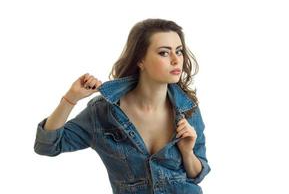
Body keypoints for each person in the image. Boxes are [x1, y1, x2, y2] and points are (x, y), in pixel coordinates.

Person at [34, 18, 211, 194]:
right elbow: (47, 146)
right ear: (140, 60)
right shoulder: (103, 112)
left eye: (179, 51)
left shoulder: (188, 109)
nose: (175, 60)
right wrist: (70, 99)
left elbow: (197, 175)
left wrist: (187, 152)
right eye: (164, 53)